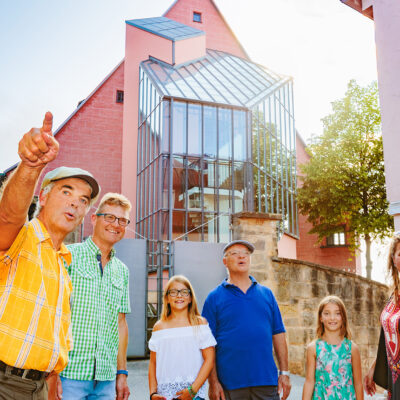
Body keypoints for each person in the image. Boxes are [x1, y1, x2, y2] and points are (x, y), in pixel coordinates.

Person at [0, 112, 100, 400]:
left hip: (40, 388)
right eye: (66, 191)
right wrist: (31, 167)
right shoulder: (23, 236)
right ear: (42, 197)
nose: (75, 203)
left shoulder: (62, 260)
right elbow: (8, 215)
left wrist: (53, 377)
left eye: (83, 200)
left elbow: (58, 330)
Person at [58, 193, 132, 400]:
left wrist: (122, 373)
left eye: (122, 220)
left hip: (106, 381)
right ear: (94, 219)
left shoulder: (122, 271)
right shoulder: (67, 256)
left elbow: (121, 324)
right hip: (68, 376)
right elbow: (52, 315)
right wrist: (52, 372)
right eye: (109, 217)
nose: (115, 224)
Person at [202, 239, 291, 400]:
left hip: (266, 382)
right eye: (234, 253)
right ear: (225, 262)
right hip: (230, 385)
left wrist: (284, 373)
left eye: (245, 253)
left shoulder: (267, 294)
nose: (241, 257)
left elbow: (278, 333)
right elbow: (207, 345)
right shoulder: (214, 298)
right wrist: (213, 382)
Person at [148, 275, 216, 400]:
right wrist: (153, 393)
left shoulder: (199, 324)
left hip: (193, 395)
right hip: (164, 396)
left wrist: (193, 390)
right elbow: (153, 363)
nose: (179, 295)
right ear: (167, 298)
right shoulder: (159, 327)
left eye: (184, 292)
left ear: (190, 298)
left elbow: (209, 359)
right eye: (173, 292)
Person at [302, 295, 363, 400]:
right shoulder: (313, 348)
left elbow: (358, 384)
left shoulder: (352, 348)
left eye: (337, 313)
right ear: (320, 317)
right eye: (327, 313)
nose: (332, 318)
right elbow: (309, 382)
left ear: (343, 317)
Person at [364, 232, 400, 399]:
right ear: (394, 258)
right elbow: (386, 336)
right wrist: (374, 367)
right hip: (394, 378)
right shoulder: (393, 295)